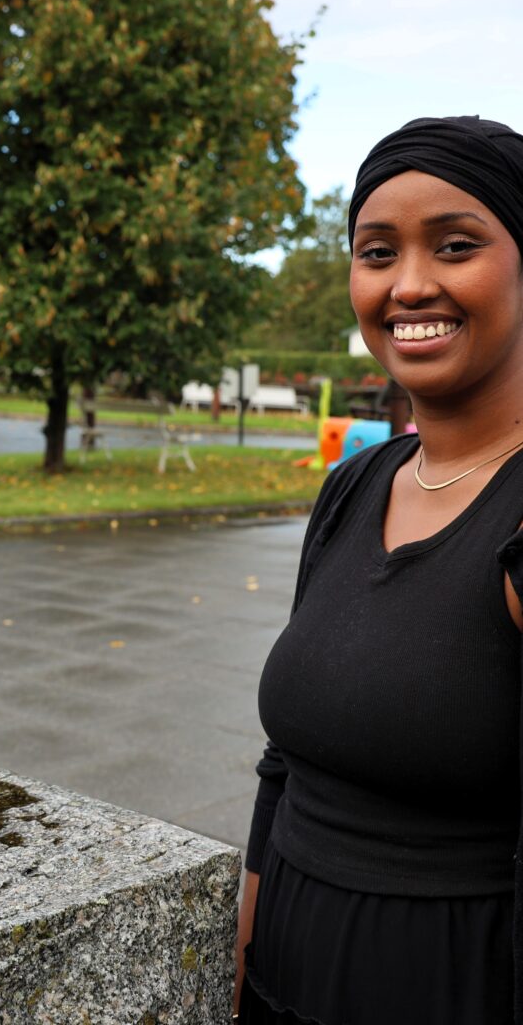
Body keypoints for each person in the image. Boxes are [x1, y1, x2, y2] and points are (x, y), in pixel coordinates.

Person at [233, 114, 523, 1024]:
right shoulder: (354, 487)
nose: (409, 284)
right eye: (376, 252)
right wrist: (237, 969)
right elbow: (285, 771)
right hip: (284, 976)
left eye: (456, 245)